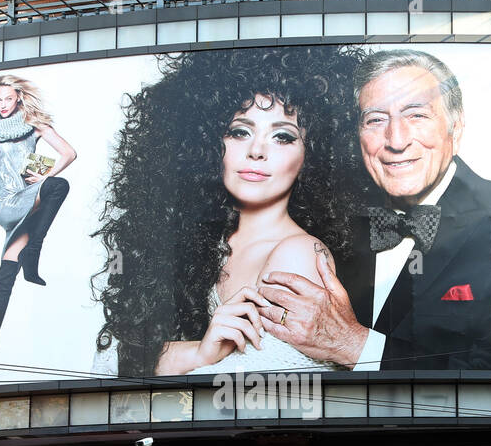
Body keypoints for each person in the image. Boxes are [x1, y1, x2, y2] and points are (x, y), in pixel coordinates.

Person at [253, 48, 491, 374]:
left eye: (416, 115)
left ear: (457, 127)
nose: (396, 140)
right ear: (358, 135)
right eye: (376, 120)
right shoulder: (330, 221)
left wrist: (353, 344)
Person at [93, 45, 366, 377]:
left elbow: (260, 396)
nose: (256, 151)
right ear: (206, 144)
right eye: (240, 131)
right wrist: (201, 351)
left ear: (312, 157)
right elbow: (108, 363)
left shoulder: (300, 254)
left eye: (282, 137)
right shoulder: (197, 244)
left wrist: (172, 360)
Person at [0, 73, 77, 381]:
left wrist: (43, 173)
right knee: (56, 186)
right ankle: (34, 251)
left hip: (27, 196)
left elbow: (69, 153)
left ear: (19, 98)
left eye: (8, 99)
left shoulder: (33, 125)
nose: (3, 105)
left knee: (3, 285)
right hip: (7, 204)